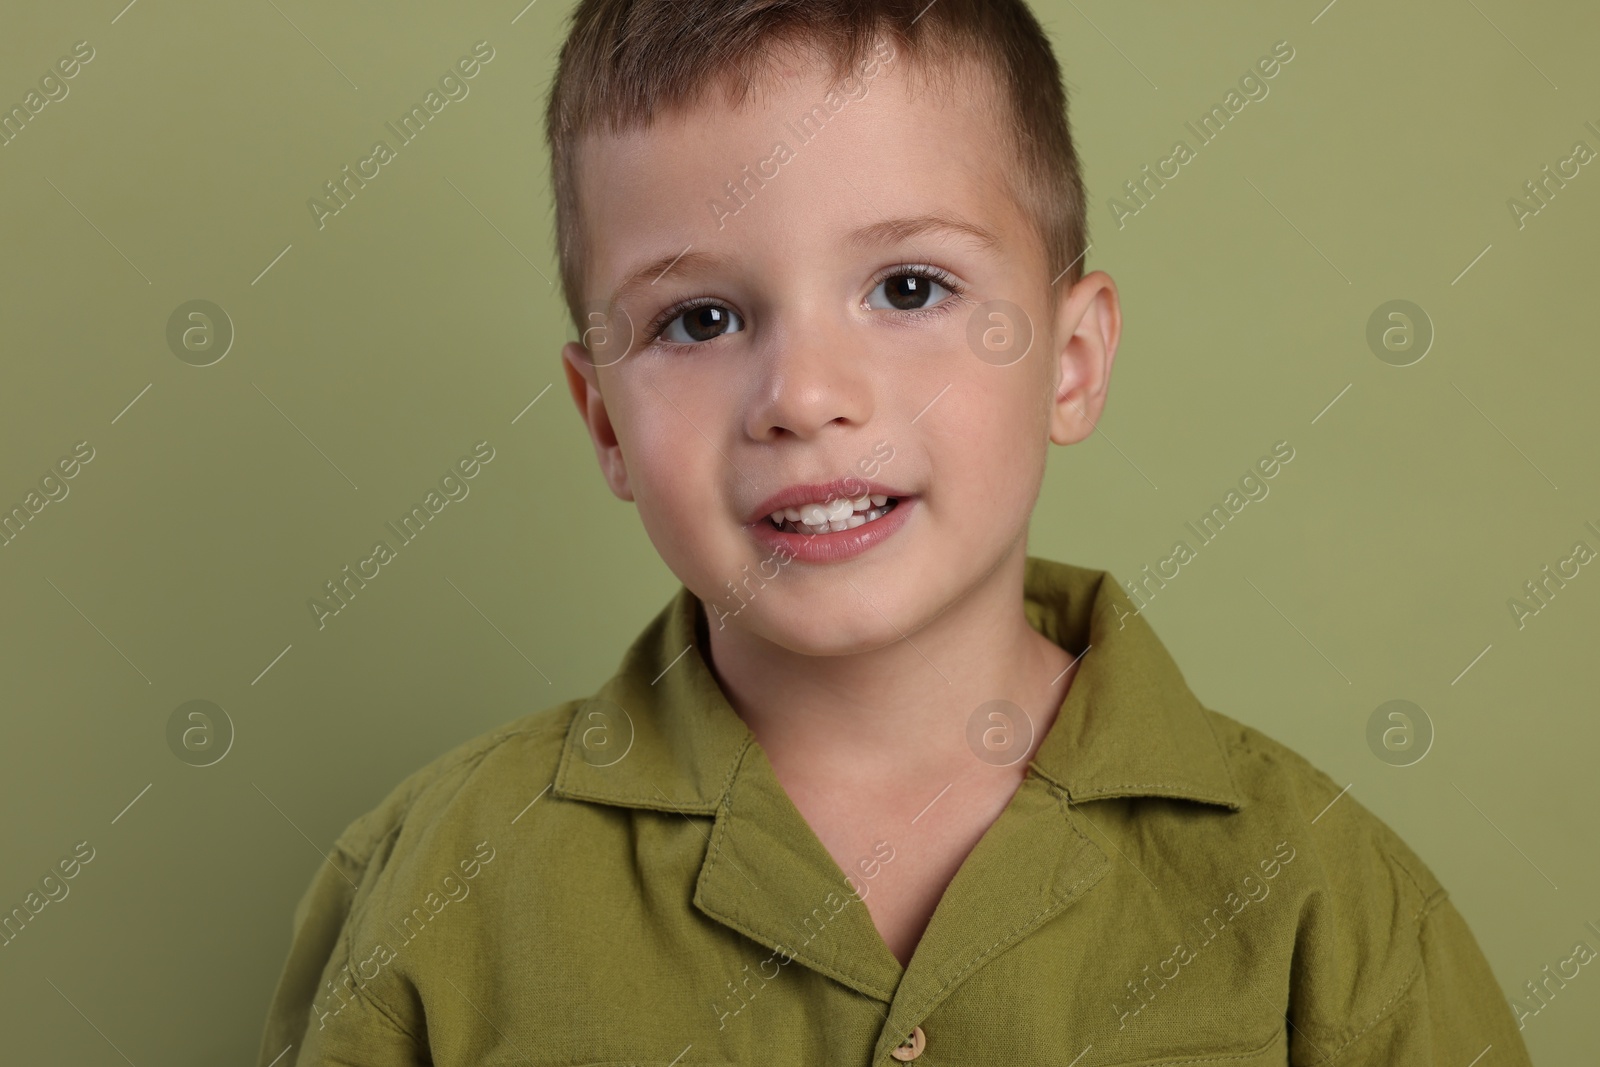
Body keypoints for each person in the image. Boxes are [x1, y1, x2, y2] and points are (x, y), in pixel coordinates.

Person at [258, 1, 1533, 1063]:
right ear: (602, 418)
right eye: (698, 320)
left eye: (908, 287)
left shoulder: (1327, 909)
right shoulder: (437, 891)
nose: (806, 395)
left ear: (1072, 361)